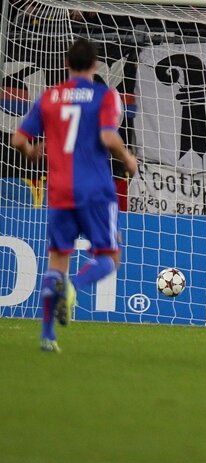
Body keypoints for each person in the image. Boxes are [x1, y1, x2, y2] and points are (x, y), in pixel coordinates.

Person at [11, 38, 138, 352]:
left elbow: (18, 140)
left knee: (57, 259)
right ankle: (74, 286)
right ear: (95, 65)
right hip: (96, 189)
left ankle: (47, 335)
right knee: (110, 257)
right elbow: (107, 135)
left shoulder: (50, 97)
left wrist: (32, 152)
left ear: (66, 63)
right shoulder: (104, 95)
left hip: (59, 190)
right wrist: (127, 158)